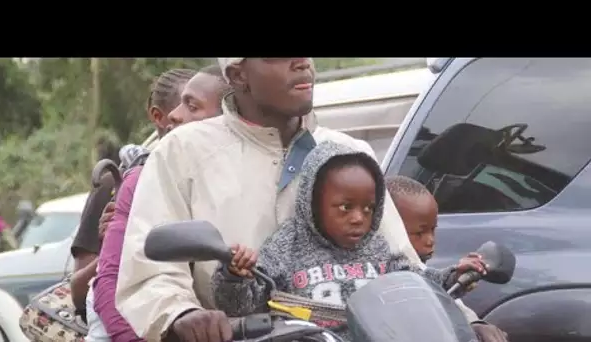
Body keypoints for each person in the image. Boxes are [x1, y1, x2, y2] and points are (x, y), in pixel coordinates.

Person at [115, 58, 506, 342]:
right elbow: (149, 269)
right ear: (238, 75)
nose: (302, 64)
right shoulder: (184, 151)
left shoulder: (348, 152)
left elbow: (400, 264)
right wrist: (182, 314)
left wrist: (462, 319)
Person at [211, 141, 485, 340]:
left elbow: (414, 284)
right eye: (345, 207)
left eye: (368, 208)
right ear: (313, 202)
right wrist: (236, 276)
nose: (358, 218)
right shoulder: (287, 243)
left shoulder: (377, 246)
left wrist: (452, 277)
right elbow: (242, 306)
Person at [87, 65, 231, 342]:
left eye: (192, 106)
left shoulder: (255, 177)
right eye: (179, 104)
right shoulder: (142, 178)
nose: (175, 115)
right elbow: (114, 280)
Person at [70, 68, 197, 315]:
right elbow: (78, 292)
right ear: (158, 116)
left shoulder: (217, 180)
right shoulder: (114, 185)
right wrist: (120, 244)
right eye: (186, 106)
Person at [387, 175, 509, 341]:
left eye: (432, 229)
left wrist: (474, 325)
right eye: (419, 233)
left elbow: (439, 294)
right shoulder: (366, 266)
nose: (431, 240)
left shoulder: (415, 269)